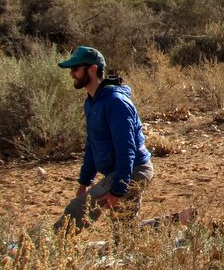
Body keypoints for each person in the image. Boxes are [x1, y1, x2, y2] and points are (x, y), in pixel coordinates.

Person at [54, 46, 154, 230]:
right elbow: (92, 144)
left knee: (77, 211)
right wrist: (84, 181)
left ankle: (46, 244)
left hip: (134, 171)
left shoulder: (116, 102)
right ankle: (178, 221)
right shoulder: (91, 102)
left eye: (75, 68)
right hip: (122, 172)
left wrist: (117, 190)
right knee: (126, 234)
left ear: (92, 69)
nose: (72, 74)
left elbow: (126, 150)